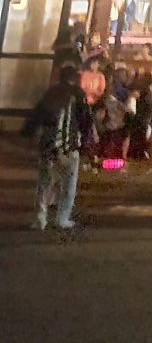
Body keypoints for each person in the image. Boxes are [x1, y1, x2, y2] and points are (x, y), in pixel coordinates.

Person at [28, 63, 92, 231]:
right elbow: (85, 120)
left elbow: (36, 116)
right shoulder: (78, 94)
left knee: (44, 183)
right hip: (69, 145)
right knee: (68, 184)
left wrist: (29, 132)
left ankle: (40, 219)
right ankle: (62, 218)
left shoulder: (51, 93)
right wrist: (87, 141)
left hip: (49, 144)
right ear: (74, 78)